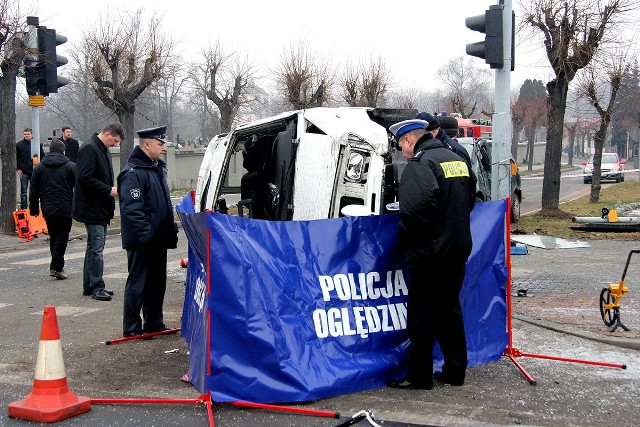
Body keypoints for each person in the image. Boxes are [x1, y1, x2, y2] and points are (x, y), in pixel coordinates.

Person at [386, 118, 476, 390]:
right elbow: (470, 201)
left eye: (402, 145)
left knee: (421, 316)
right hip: (457, 249)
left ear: (410, 141)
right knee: (450, 311)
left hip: (429, 254)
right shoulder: (456, 159)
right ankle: (455, 371)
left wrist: (405, 240)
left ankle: (420, 377)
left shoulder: (420, 165)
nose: (402, 151)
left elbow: (413, 213)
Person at [118, 125, 179, 337]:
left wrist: (168, 230)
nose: (163, 148)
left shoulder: (155, 168)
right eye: (160, 144)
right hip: (142, 240)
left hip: (157, 239)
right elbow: (132, 210)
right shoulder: (133, 173)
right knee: (138, 284)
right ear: (147, 144)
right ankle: (132, 328)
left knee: (156, 284)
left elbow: (161, 204)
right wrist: (146, 236)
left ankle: (154, 322)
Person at [73, 123, 123, 301]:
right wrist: (108, 190)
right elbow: (84, 177)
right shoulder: (90, 148)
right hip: (92, 207)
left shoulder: (100, 148)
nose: (115, 145)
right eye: (114, 141)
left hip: (98, 206)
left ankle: (89, 285)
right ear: (108, 134)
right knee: (96, 248)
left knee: (92, 247)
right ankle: (96, 286)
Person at [29, 140, 75, 280]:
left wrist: (34, 210)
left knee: (54, 236)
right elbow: (78, 186)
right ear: (63, 151)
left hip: (48, 207)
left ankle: (57, 265)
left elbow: (34, 190)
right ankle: (56, 266)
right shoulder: (70, 166)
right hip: (65, 206)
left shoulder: (40, 167)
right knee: (62, 236)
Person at [16, 128, 45, 209]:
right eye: (25, 134)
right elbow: (16, 158)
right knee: (23, 191)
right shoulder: (19, 145)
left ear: (31, 135)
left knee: (35, 190)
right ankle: (24, 207)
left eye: (28, 134)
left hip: (35, 171)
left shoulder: (36, 144)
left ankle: (34, 206)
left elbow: (43, 157)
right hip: (23, 171)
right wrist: (18, 169)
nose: (26, 136)